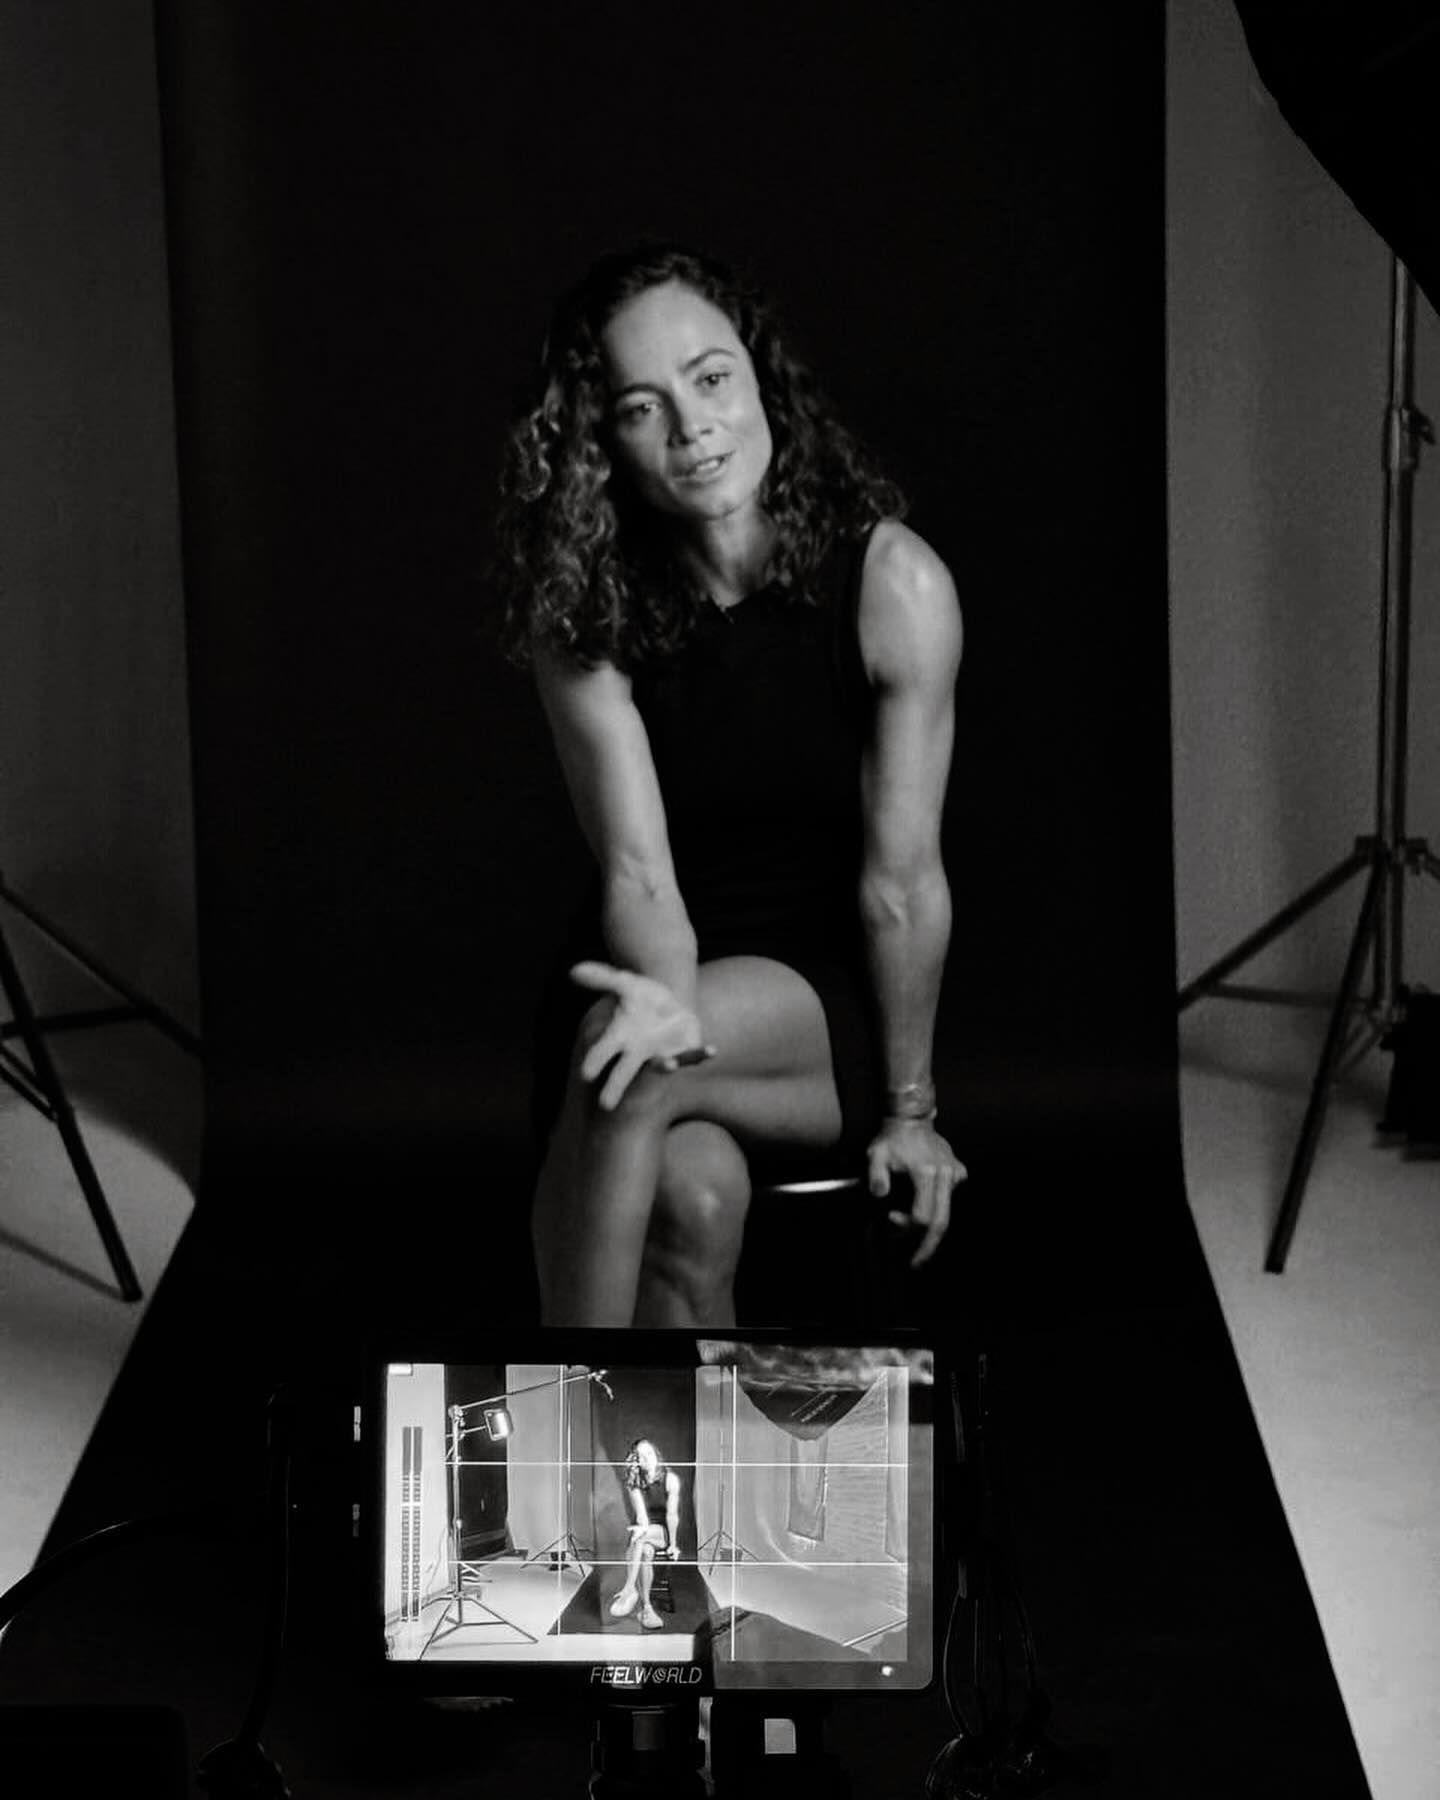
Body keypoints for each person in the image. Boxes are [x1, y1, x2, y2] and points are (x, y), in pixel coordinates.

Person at [496, 242, 965, 1328]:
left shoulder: (893, 583)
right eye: (641, 408)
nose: (693, 427)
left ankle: (568, 1406)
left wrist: (912, 1109)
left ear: (761, 380)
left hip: (822, 1004)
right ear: (601, 442)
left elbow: (901, 885)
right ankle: (664, 1441)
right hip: (644, 974)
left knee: (629, 1067)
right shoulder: (585, 611)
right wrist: (662, 1005)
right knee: (691, 1201)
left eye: (711, 380)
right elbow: (639, 877)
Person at [608, 1438, 682, 1632]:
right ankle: (647, 1608)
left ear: (656, 1454)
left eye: (649, 1453)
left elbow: (672, 1515)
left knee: (641, 1538)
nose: (646, 1459)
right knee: (646, 1552)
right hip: (642, 1530)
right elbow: (641, 1516)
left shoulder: (670, 1479)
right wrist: (643, 1529)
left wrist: (673, 1544)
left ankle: (629, 1589)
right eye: (640, 1456)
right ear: (636, 1461)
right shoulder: (634, 1481)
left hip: (662, 1532)